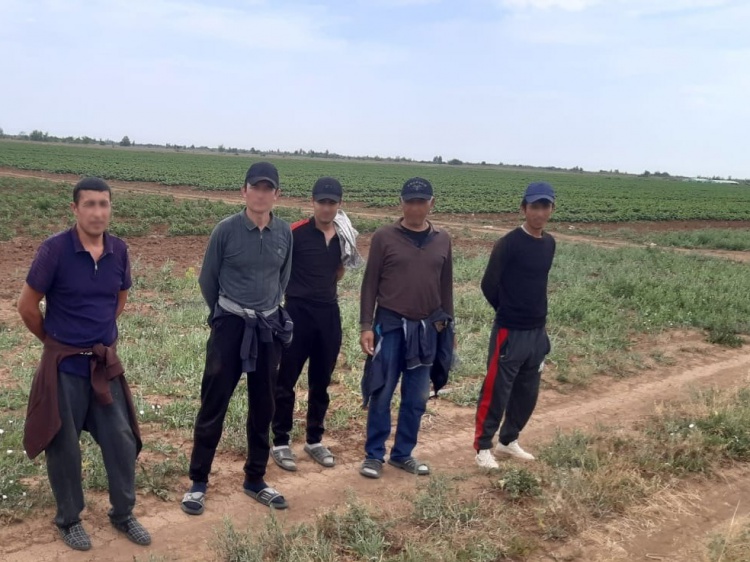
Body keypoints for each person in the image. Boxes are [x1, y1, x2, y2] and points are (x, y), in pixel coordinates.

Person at [17, 177, 150, 551]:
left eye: (103, 204)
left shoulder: (119, 250)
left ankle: (123, 513)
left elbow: (118, 300)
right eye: (89, 204)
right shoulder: (55, 250)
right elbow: (27, 306)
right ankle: (69, 519)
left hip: (103, 364)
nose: (97, 212)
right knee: (63, 445)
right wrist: (55, 343)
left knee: (121, 440)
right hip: (64, 367)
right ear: (74, 209)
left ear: (110, 208)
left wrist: (98, 336)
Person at [182, 162, 293, 514]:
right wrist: (224, 315)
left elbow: (283, 279)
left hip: (267, 327)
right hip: (230, 326)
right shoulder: (225, 230)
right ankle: (198, 482)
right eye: (255, 187)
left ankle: (255, 478)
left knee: (264, 404)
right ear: (244, 191)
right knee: (214, 402)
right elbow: (208, 280)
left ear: (277, 195)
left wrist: (266, 311)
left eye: (267, 188)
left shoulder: (284, 233)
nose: (261, 194)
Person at [359, 177, 454, 479]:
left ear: (432, 203)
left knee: (416, 396)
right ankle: (374, 455)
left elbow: (446, 286)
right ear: (401, 203)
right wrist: (366, 325)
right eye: (410, 201)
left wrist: (448, 329)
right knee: (382, 391)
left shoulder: (442, 239)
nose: (415, 207)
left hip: (427, 329)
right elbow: (370, 284)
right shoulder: (384, 237)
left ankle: (402, 454)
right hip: (390, 325)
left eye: (421, 201)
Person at [271, 176, 361, 471]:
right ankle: (280, 442)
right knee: (286, 380)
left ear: (339, 204)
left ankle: (314, 440)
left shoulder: (343, 235)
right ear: (312, 202)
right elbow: (278, 269)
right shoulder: (295, 232)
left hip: (328, 314)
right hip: (297, 313)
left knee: (321, 382)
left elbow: (339, 271)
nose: (326, 207)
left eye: (332, 203)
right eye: (322, 202)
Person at [474, 181, 556, 469]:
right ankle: (483, 447)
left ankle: (508, 440)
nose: (539, 212)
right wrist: (507, 310)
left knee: (527, 391)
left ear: (552, 209)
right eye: (534, 206)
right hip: (510, 331)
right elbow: (488, 284)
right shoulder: (508, 243)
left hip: (537, 331)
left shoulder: (549, 243)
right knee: (497, 390)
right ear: (524, 208)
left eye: (545, 206)